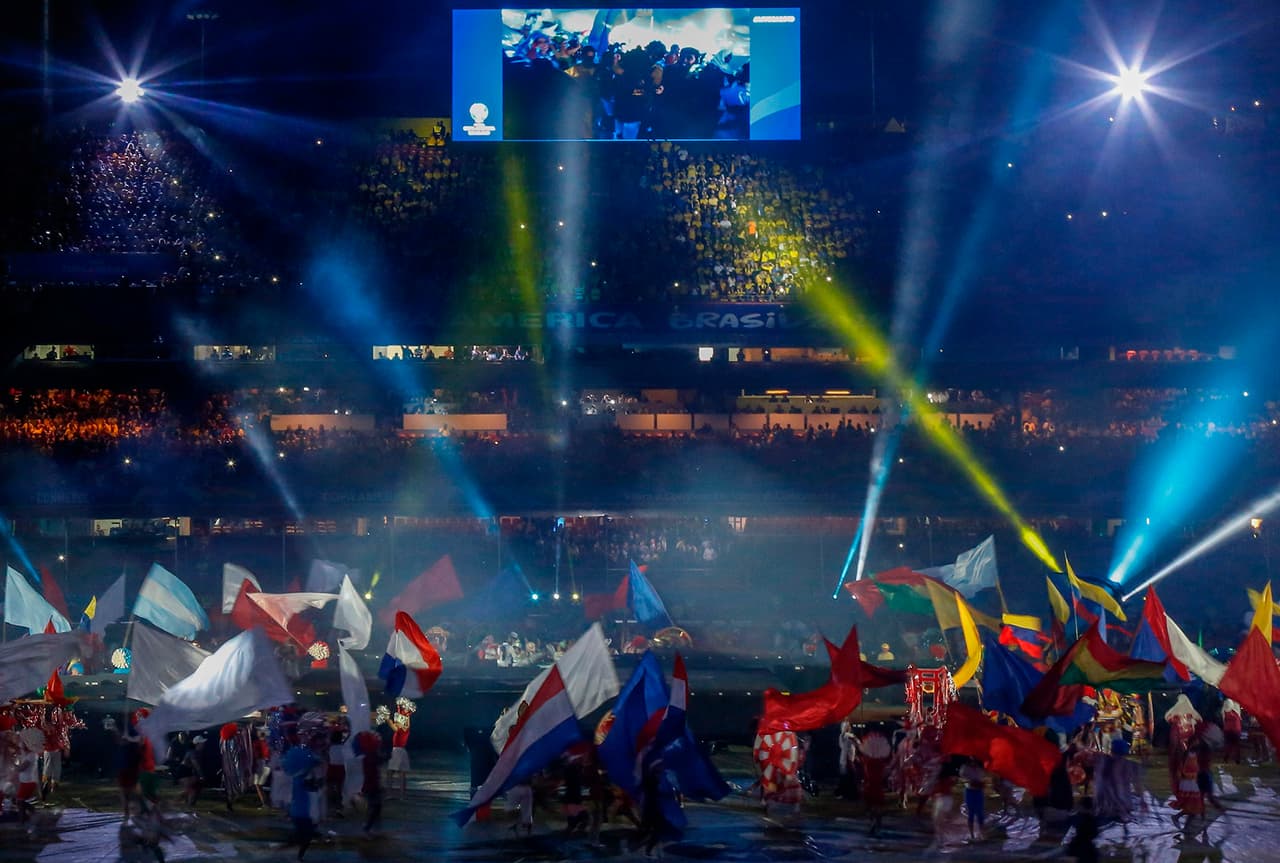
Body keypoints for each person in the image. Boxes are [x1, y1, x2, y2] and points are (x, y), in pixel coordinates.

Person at [1067, 796, 1099, 863]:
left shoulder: (1079, 818)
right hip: (1089, 851)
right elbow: (1094, 833)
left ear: (1081, 806)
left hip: (1081, 850)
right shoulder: (1092, 819)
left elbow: (1079, 835)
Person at [1222, 699, 1243, 765]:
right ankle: (1237, 760)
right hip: (1236, 730)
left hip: (1227, 729)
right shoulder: (1236, 709)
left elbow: (1223, 719)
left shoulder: (1224, 710)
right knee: (1236, 745)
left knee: (1228, 745)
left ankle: (1226, 758)